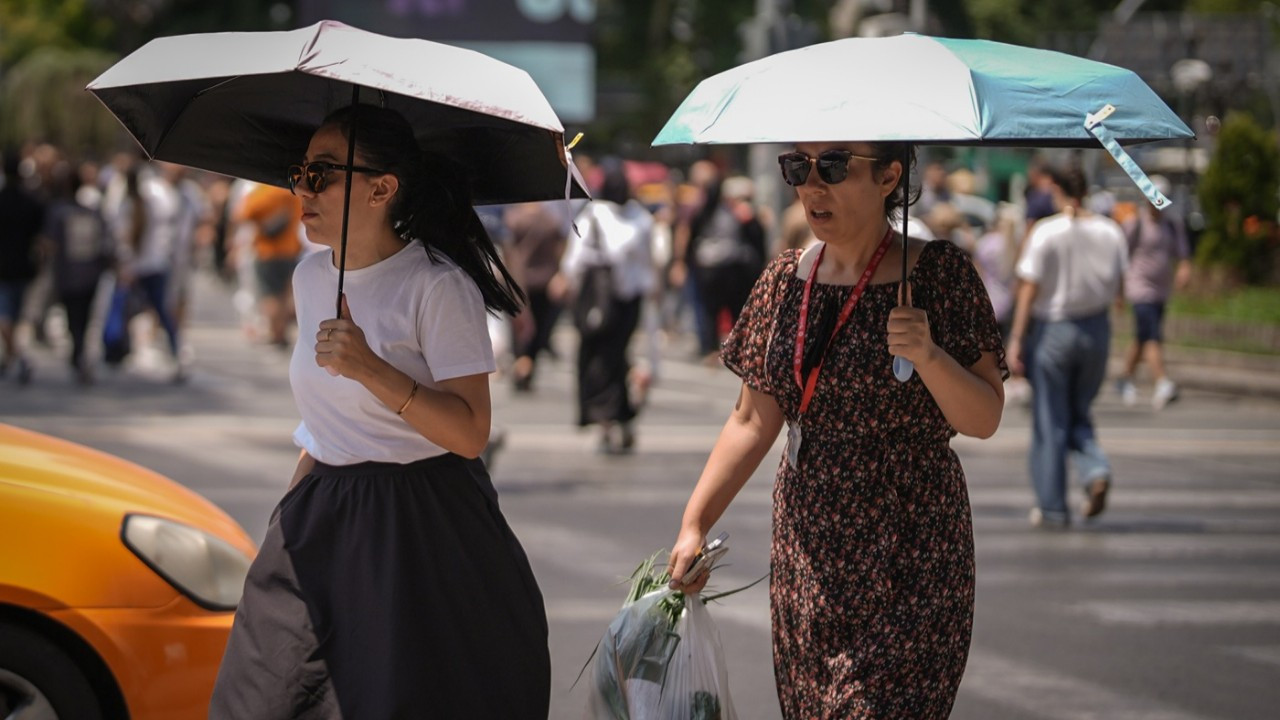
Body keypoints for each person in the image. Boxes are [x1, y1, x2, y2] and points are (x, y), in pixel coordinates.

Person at [210, 104, 550, 719]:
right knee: (261, 695)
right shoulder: (310, 275)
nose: (300, 189)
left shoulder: (437, 286)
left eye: (321, 174)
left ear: (382, 188)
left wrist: (372, 369)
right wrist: (283, 519)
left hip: (421, 522)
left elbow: (471, 432)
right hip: (320, 513)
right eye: (299, 172)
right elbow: (323, 425)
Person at [667, 141, 1006, 719]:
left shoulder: (939, 275)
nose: (812, 186)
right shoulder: (782, 282)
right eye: (798, 167)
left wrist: (928, 355)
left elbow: (984, 417)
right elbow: (752, 418)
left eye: (834, 167)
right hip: (809, 547)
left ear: (889, 177)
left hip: (913, 549)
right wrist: (694, 523)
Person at [1007, 164, 1127, 528]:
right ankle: (1095, 469)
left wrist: (1015, 338)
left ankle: (1052, 506)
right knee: (1078, 412)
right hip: (1096, 328)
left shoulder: (1047, 231)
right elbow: (1120, 289)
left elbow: (1028, 287)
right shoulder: (1110, 231)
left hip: (1054, 330)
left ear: (1056, 190)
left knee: (1050, 421)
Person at [559, 157, 656, 454]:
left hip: (618, 301)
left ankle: (612, 418)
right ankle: (613, 419)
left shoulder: (618, 216)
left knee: (609, 360)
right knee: (605, 359)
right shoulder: (625, 216)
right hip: (608, 300)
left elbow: (575, 259)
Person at [1115, 176, 1192, 409]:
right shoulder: (1135, 224)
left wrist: (1184, 271)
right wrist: (1118, 291)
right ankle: (1162, 382)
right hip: (1139, 287)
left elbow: (1183, 254)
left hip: (1161, 289)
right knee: (1152, 335)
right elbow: (1120, 259)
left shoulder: (1171, 224)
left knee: (1142, 336)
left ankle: (1125, 377)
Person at [42, 164, 114, 384]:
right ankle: (79, 353)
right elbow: (106, 241)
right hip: (91, 272)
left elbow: (50, 243)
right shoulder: (92, 212)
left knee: (73, 316)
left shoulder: (58, 212)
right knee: (84, 316)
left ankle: (79, 352)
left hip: (68, 273)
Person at [503, 201, 566, 392]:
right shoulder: (550, 220)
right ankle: (528, 363)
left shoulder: (513, 218)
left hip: (517, 281)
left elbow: (507, 251)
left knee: (517, 328)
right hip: (544, 281)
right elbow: (560, 247)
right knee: (538, 328)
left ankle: (520, 361)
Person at [235, 182, 304, 348]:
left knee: (270, 295)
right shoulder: (294, 191)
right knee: (285, 295)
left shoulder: (266, 190)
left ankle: (275, 333)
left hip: (268, 251)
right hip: (291, 249)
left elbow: (243, 213)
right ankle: (281, 333)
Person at [0, 150, 46, 384]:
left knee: (6, 317)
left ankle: (17, 358)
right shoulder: (31, 201)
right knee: (12, 316)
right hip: (23, 267)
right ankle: (13, 358)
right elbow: (40, 239)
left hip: (6, 267)